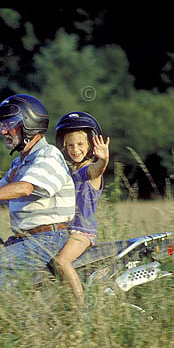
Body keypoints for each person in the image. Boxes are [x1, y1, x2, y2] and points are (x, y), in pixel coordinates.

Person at [0, 94, 76, 287]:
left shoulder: (48, 155)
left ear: (29, 124)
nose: (3, 131)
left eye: (8, 123)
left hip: (48, 239)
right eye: (2, 125)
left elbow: (26, 188)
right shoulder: (20, 163)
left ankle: (19, 316)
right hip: (27, 239)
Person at [51, 112, 110, 306]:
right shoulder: (68, 173)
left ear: (90, 146)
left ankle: (80, 306)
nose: (75, 149)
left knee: (61, 262)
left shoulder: (89, 171)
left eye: (80, 144)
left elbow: (97, 169)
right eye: (70, 145)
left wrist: (103, 160)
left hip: (82, 232)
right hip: (65, 231)